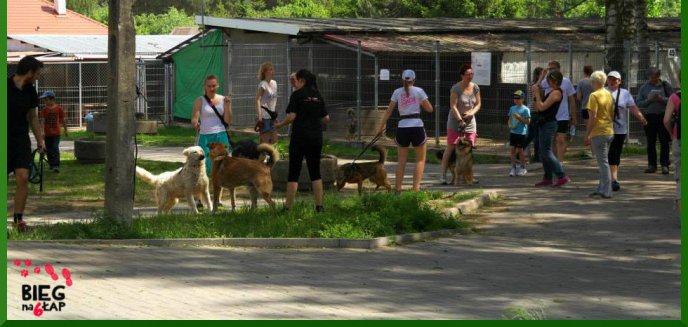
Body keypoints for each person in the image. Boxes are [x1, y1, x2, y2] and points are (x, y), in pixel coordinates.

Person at [274, 69, 330, 212]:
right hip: (316, 138)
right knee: (315, 172)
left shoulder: (297, 95)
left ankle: (287, 208)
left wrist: (280, 125)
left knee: (294, 173)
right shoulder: (318, 95)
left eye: (297, 80)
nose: (295, 83)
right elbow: (326, 118)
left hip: (299, 138)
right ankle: (319, 206)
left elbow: (292, 116)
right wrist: (313, 117)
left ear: (302, 81)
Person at [377, 69, 434, 192]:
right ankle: (415, 189)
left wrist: (381, 127)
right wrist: (419, 103)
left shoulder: (397, 92)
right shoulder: (419, 91)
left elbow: (389, 111)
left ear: (402, 79)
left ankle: (397, 189)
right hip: (417, 126)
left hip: (402, 126)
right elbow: (430, 109)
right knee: (420, 159)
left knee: (401, 160)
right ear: (414, 79)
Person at [8, 56, 46, 232]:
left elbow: (33, 117)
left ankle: (18, 220)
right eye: (37, 73)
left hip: (21, 139)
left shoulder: (31, 91)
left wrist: (40, 141)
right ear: (29, 72)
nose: (38, 76)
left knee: (23, 177)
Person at [605, 71, 648, 191]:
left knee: (615, 153)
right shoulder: (602, 92)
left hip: (620, 129)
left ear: (620, 81)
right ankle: (611, 179)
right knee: (608, 153)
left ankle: (612, 178)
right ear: (606, 80)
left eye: (615, 79)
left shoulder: (625, 93)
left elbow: (632, 107)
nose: (612, 81)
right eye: (610, 79)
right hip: (604, 129)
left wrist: (641, 118)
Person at [440, 64, 481, 184]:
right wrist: (459, 120)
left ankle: (468, 177)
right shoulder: (456, 88)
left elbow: (478, 104)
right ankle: (443, 175)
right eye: (468, 74)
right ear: (462, 75)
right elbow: (453, 105)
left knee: (469, 148)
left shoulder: (475, 87)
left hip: (470, 120)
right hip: (455, 120)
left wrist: (471, 113)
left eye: (472, 74)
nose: (470, 76)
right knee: (451, 147)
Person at [532, 70, 571, 187]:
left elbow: (542, 107)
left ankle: (561, 175)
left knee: (546, 151)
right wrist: (541, 78)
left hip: (549, 124)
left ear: (553, 81)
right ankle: (547, 177)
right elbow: (538, 106)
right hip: (543, 123)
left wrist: (537, 95)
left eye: (548, 80)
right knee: (543, 152)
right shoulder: (551, 92)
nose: (546, 82)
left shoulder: (557, 93)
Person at [191, 75, 232, 177]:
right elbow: (195, 117)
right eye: (209, 86)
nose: (211, 88)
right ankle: (205, 187)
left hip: (221, 135)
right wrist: (195, 122)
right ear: (205, 86)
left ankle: (221, 186)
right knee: (206, 165)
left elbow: (228, 120)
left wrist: (228, 106)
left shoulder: (223, 99)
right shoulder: (200, 100)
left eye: (214, 86)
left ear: (217, 85)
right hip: (205, 136)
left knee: (223, 164)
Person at [584, 71, 615, 198]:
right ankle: (601, 188)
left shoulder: (594, 95)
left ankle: (606, 190)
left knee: (603, 163)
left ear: (595, 82)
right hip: (609, 131)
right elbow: (612, 114)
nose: (591, 84)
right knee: (603, 161)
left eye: (591, 81)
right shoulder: (609, 94)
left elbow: (593, 117)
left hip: (599, 132)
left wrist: (587, 134)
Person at [539, 61, 577, 162]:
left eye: (554, 68)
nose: (551, 70)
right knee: (552, 140)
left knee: (561, 139)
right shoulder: (546, 81)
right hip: (551, 115)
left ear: (559, 69)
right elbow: (537, 89)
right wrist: (542, 76)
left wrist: (573, 116)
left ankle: (560, 163)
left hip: (563, 115)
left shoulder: (566, 81)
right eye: (550, 69)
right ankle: (554, 162)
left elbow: (572, 100)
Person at [637, 68, 673, 174]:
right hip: (650, 117)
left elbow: (673, 100)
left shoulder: (666, 86)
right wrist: (649, 100)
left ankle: (665, 164)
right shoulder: (644, 87)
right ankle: (652, 165)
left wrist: (662, 99)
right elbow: (638, 103)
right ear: (648, 77)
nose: (653, 79)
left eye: (655, 77)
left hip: (663, 116)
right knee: (651, 142)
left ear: (658, 76)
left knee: (664, 141)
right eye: (651, 77)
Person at [663, 68, 681, 214]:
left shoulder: (675, 97)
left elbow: (666, 120)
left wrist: (671, 134)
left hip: (679, 139)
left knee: (681, 179)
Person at [39, 90, 68, 172]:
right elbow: (42, 121)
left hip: (56, 133)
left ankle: (56, 165)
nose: (44, 101)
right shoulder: (44, 110)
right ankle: (51, 164)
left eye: (46, 99)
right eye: (44, 99)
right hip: (47, 134)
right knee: (48, 149)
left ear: (52, 99)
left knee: (55, 148)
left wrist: (65, 130)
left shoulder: (58, 108)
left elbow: (63, 120)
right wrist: (42, 131)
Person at [507, 90, 530, 176]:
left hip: (521, 133)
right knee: (512, 149)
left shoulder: (525, 109)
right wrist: (509, 124)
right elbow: (509, 119)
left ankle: (523, 167)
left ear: (523, 99)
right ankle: (513, 168)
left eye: (518, 98)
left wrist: (520, 117)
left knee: (520, 150)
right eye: (514, 98)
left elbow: (528, 122)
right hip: (513, 132)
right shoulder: (512, 108)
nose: (516, 100)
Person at [256, 62, 278, 144]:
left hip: (273, 115)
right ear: (264, 72)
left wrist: (275, 111)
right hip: (264, 116)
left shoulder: (274, 83)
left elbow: (274, 98)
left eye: (272, 69)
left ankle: (272, 156)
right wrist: (260, 116)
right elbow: (258, 100)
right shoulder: (263, 84)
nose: (272, 71)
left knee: (274, 140)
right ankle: (263, 156)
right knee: (265, 142)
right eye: (270, 70)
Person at [524, 67, 544, 162]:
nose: (543, 76)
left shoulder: (538, 85)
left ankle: (518, 152)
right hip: (534, 112)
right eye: (541, 74)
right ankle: (537, 157)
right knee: (537, 136)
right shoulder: (534, 85)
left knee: (531, 135)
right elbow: (536, 88)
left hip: (532, 112)